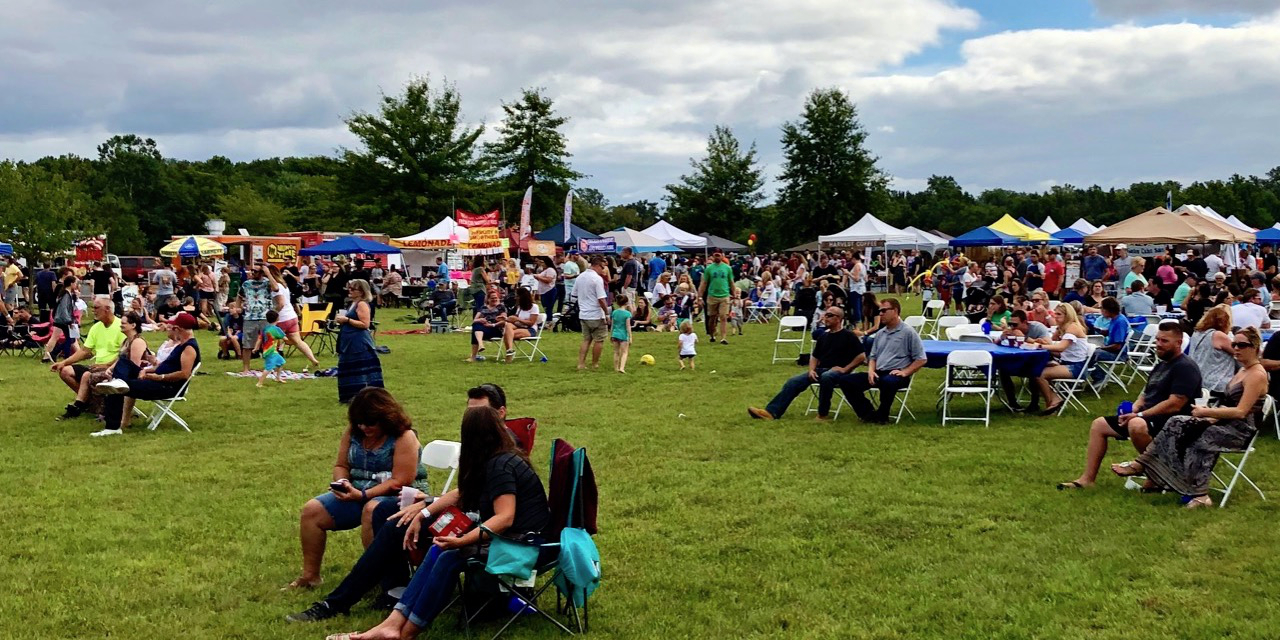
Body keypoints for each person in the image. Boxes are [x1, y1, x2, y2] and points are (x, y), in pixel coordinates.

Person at [312, 404, 550, 638]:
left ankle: (405, 632)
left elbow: (505, 517)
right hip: (513, 538)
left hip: (523, 545)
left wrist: (461, 541)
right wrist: (424, 512)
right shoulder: (497, 458)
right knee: (429, 542)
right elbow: (462, 492)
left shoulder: (501, 465)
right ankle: (393, 623)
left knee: (448, 555)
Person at [286, 384, 518, 622]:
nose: (471, 418)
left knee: (385, 513)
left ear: (500, 413)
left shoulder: (506, 451)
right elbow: (467, 490)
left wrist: (438, 517)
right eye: (469, 412)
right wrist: (427, 505)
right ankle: (391, 588)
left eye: (479, 412)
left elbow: (500, 513)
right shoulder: (482, 443)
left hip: (477, 524)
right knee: (390, 515)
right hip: (461, 512)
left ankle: (339, 602)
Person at [284, 387, 429, 590]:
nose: (364, 427)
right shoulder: (353, 432)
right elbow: (341, 465)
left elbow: (401, 480)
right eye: (359, 422)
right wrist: (343, 483)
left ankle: (374, 577)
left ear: (386, 417)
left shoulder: (404, 437)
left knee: (372, 509)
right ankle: (310, 576)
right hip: (357, 491)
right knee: (311, 510)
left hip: (398, 496)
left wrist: (363, 495)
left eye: (370, 423)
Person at [1111, 327, 1266, 507]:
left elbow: (1241, 411)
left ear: (1255, 347)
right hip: (1224, 423)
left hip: (1239, 431)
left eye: (1242, 345)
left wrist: (1207, 412)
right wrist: (1209, 415)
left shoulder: (1257, 375)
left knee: (1196, 438)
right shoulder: (1242, 370)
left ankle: (1198, 493)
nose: (1236, 348)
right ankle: (1148, 465)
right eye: (1234, 344)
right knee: (1176, 422)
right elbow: (1228, 405)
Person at [1056, 322, 1200, 490]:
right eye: (1157, 340)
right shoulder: (1161, 365)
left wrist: (1139, 416)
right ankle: (1087, 480)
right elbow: (1146, 393)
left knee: (1136, 425)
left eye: (1164, 341)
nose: (1159, 344)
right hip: (1147, 417)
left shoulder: (1185, 367)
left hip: (1172, 423)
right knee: (1099, 425)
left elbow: (1175, 404)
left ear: (1178, 342)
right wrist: (1135, 407)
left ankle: (1157, 473)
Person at [748, 305, 865, 420]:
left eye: (829, 315)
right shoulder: (824, 336)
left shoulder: (849, 336)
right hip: (821, 370)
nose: (825, 318)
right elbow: (814, 357)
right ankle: (771, 412)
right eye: (825, 315)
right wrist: (811, 370)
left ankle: (823, 415)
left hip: (839, 372)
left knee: (827, 377)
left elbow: (861, 356)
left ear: (839, 318)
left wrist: (846, 369)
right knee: (793, 381)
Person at [94, 312, 201, 435]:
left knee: (115, 387)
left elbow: (184, 374)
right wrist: (146, 370)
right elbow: (164, 366)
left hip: (166, 387)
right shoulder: (181, 345)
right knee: (124, 363)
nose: (169, 329)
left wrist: (159, 377)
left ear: (178, 329)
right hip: (156, 380)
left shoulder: (189, 348)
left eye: (172, 327)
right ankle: (119, 382)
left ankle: (112, 428)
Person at [844, 299, 925, 423]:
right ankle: (867, 413)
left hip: (896, 375)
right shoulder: (880, 333)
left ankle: (882, 415)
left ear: (895, 311)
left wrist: (905, 372)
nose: (880, 314)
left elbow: (921, 358)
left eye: (884, 311)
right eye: (879, 311)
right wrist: (871, 371)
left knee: (888, 382)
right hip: (878, 373)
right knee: (847, 381)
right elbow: (873, 357)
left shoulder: (908, 332)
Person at [51, 297, 125, 416]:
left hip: (113, 367)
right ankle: (88, 402)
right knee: (65, 371)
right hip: (96, 366)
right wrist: (64, 363)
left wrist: (106, 365)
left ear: (107, 309)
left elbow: (124, 354)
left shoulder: (121, 326)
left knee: (87, 375)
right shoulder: (96, 328)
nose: (93, 311)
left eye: (96, 308)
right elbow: (85, 351)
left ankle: (79, 405)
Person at [1030, 303, 1090, 415]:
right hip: (1067, 362)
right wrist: (1044, 344)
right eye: (1055, 314)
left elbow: (1061, 347)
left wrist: (1039, 346)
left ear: (1067, 315)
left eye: (1059, 314)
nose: (1055, 316)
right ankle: (1054, 399)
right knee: (1035, 368)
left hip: (1076, 367)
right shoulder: (1065, 327)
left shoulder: (1072, 327)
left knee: (1039, 374)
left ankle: (1051, 403)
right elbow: (1060, 350)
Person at [336, 279, 383, 403]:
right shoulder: (352, 303)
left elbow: (365, 324)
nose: (349, 291)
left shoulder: (362, 304)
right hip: (348, 339)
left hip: (358, 341)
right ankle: (350, 395)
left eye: (353, 289)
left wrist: (347, 320)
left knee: (360, 368)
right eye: (349, 288)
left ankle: (363, 396)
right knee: (348, 367)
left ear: (362, 292)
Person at [267, 264, 321, 371]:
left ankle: (274, 366)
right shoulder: (284, 284)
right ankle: (313, 359)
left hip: (282, 318)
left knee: (272, 343)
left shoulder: (275, 287)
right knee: (298, 341)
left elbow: (280, 304)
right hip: (292, 316)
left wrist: (273, 315)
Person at [1188, 305, 1237, 395]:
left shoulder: (1197, 333)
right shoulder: (1218, 335)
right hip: (1216, 384)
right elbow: (1239, 352)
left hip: (1196, 379)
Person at [575, 256, 611, 370]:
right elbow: (601, 299)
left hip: (583, 313)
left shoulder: (580, 277)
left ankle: (581, 363)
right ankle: (595, 363)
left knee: (586, 339)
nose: (603, 270)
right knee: (599, 340)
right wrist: (606, 313)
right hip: (596, 314)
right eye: (603, 267)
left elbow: (574, 294)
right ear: (597, 265)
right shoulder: (597, 279)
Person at [238, 263, 272, 374]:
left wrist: (268, 273)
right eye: (252, 270)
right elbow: (239, 295)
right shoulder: (246, 284)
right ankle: (246, 368)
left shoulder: (268, 283)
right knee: (247, 344)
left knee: (268, 343)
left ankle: (268, 367)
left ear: (262, 272)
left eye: (256, 271)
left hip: (265, 316)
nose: (253, 273)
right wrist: (237, 307)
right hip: (249, 316)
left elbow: (276, 288)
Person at [1088, 298, 1130, 384]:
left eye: (1102, 308)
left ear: (1108, 309)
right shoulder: (1114, 319)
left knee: (1091, 353)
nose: (1101, 311)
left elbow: (1117, 346)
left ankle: (1099, 377)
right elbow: (1110, 333)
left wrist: (1103, 348)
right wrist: (1098, 330)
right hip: (1113, 350)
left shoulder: (1120, 322)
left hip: (1118, 354)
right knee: (1088, 350)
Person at [699, 251, 737, 345]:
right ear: (713, 256)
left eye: (718, 255)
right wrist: (699, 296)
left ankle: (723, 338)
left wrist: (734, 294)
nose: (717, 257)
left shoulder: (727, 268)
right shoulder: (709, 269)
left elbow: (731, 282)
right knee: (712, 317)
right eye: (715, 255)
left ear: (722, 256)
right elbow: (704, 283)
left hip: (724, 295)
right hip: (712, 296)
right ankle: (712, 334)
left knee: (723, 316)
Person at [502, 287, 540, 364]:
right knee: (508, 325)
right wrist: (506, 319)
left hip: (530, 329)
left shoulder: (534, 307)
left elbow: (531, 323)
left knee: (507, 334)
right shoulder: (519, 308)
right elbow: (515, 319)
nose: (515, 298)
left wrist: (517, 319)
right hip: (518, 326)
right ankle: (510, 350)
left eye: (517, 296)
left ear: (522, 297)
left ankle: (509, 353)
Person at [256, 310, 288, 387]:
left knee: (281, 362)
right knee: (268, 368)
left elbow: (259, 339)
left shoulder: (265, 329)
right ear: (277, 319)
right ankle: (259, 383)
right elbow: (285, 339)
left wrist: (256, 348)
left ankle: (278, 378)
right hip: (271, 352)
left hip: (267, 351)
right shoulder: (276, 329)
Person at [611, 294, 633, 373]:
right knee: (624, 352)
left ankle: (616, 367)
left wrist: (611, 335)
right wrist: (630, 337)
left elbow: (612, 325)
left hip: (615, 334)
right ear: (626, 303)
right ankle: (622, 368)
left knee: (616, 352)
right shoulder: (627, 314)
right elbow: (628, 326)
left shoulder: (614, 312)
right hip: (623, 335)